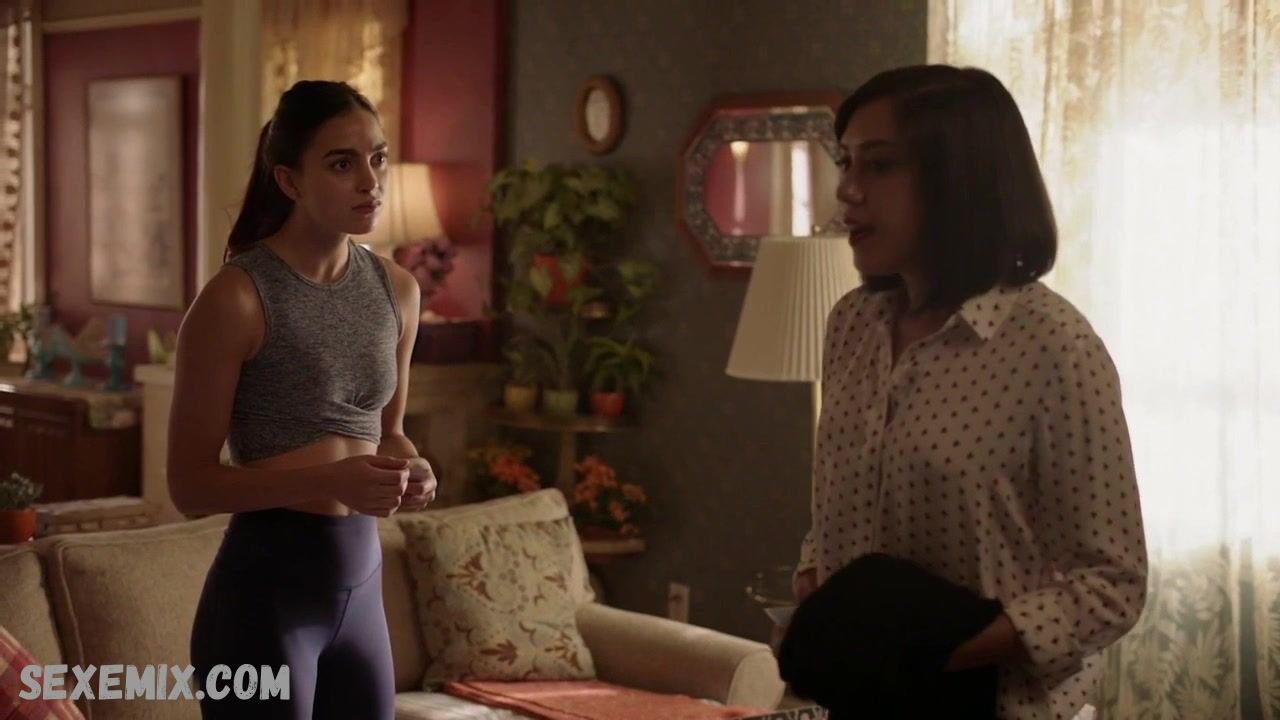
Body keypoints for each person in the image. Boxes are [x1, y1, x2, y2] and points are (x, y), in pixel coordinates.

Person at [791, 65, 1148, 719]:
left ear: (957, 179)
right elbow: (841, 507)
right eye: (846, 163)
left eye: (879, 165)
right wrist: (819, 588)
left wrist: (944, 652)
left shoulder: (1054, 347)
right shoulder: (851, 326)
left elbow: (1112, 585)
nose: (847, 190)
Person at [168, 80, 437, 719]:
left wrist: (412, 467)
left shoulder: (397, 290)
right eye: (342, 164)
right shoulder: (236, 298)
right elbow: (189, 487)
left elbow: (389, 430)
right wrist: (330, 481)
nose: (370, 181)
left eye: (378, 158)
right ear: (289, 181)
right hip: (264, 601)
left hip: (361, 595)